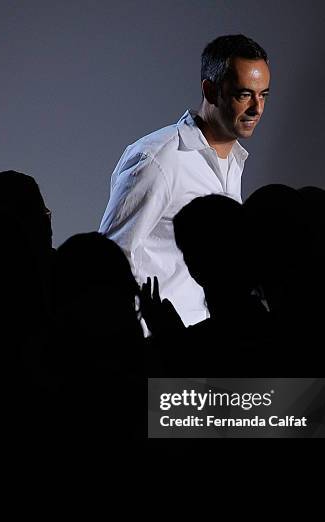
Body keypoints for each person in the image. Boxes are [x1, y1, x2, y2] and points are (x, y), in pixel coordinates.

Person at [99, 34, 270, 326]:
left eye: (263, 94)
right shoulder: (158, 159)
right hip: (156, 348)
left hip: (200, 347)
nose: (257, 108)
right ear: (210, 90)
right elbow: (109, 258)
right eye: (244, 94)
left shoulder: (234, 161)